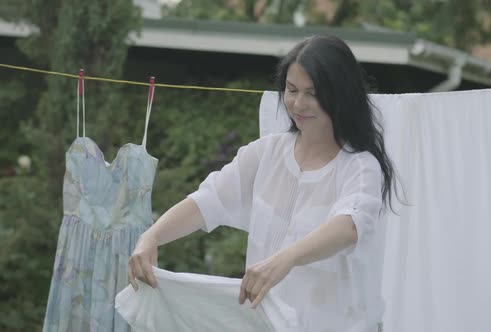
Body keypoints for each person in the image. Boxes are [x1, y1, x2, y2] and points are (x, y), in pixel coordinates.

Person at [128, 34, 405, 331]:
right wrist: (152, 236)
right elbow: (208, 200)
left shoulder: (360, 168)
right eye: (291, 90)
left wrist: (285, 259)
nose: (299, 103)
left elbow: (349, 225)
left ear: (341, 95)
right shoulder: (265, 154)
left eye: (313, 93)